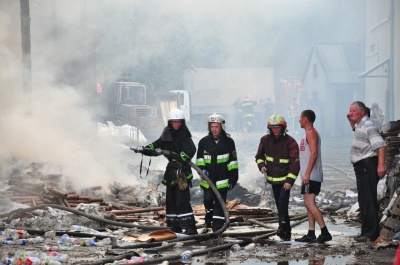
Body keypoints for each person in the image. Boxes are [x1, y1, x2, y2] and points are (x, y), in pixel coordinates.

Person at [134, 108, 198, 235]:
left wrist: (174, 154)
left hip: (181, 172)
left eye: (179, 122)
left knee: (182, 199)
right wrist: (144, 149)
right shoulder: (166, 134)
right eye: (174, 122)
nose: (177, 124)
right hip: (171, 171)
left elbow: (191, 151)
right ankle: (175, 225)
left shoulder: (184, 134)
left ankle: (190, 227)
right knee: (171, 199)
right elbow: (156, 145)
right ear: (170, 122)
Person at [255, 113, 300, 241]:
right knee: (280, 204)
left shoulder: (290, 142)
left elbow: (295, 163)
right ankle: (286, 230)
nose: (275, 130)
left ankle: (282, 227)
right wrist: (262, 166)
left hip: (285, 180)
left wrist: (289, 181)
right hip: (273, 180)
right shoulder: (265, 140)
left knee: (282, 202)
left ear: (283, 128)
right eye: (273, 127)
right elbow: (259, 157)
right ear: (270, 128)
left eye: (278, 127)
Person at [347, 101, 386, 242]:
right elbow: (355, 129)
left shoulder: (369, 126)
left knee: (369, 200)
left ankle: (371, 234)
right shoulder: (360, 125)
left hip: (367, 165)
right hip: (361, 167)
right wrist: (351, 120)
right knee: (363, 200)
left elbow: (381, 146)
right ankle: (366, 232)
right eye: (349, 111)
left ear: (362, 112)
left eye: (353, 111)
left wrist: (380, 165)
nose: (350, 114)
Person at [196, 113, 239, 232]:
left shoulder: (229, 142)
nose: (214, 129)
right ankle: (208, 219)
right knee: (208, 200)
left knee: (220, 203)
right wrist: (202, 171)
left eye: (217, 127)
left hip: (222, 180)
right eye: (212, 127)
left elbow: (233, 162)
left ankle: (218, 227)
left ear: (222, 127)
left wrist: (233, 179)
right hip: (207, 180)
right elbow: (199, 159)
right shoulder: (203, 142)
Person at [295, 109, 332, 243]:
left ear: (305, 119)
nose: (299, 120)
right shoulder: (308, 134)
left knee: (309, 202)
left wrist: (307, 173)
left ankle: (325, 232)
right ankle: (311, 233)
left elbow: (314, 153)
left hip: (311, 175)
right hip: (309, 175)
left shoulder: (311, 133)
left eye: (300, 117)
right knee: (309, 203)